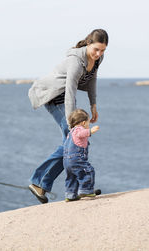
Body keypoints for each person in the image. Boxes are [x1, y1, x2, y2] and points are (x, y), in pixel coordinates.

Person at [28, 29, 108, 203]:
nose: (98, 54)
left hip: (64, 98)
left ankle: (72, 187)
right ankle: (44, 182)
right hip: (52, 96)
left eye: (102, 50)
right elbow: (70, 92)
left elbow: (92, 81)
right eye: (96, 49)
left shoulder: (97, 59)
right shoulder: (75, 61)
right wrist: (74, 124)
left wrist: (93, 105)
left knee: (72, 144)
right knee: (73, 141)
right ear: (88, 43)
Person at [63, 109, 99, 202]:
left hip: (66, 160)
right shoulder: (79, 129)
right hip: (77, 158)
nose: (88, 126)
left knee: (71, 177)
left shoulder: (70, 132)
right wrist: (90, 131)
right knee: (88, 171)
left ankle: (70, 195)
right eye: (87, 123)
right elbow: (81, 133)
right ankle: (86, 191)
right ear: (83, 123)